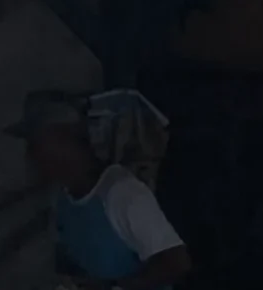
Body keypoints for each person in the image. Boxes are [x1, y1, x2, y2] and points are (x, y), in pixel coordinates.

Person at [11, 91, 191, 289]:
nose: (30, 154)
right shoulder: (64, 198)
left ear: (64, 138)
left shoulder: (122, 193)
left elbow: (176, 262)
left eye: (35, 144)